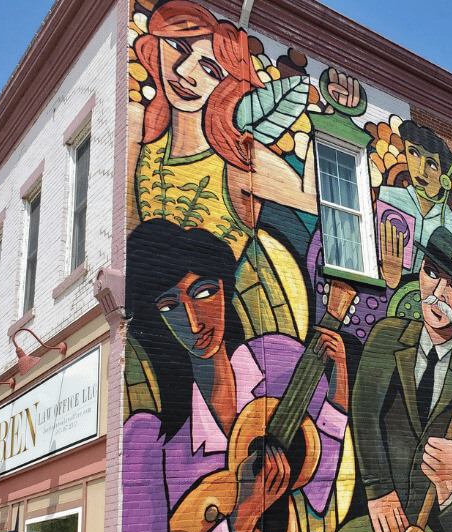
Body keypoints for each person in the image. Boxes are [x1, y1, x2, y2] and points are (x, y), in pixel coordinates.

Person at [121, 219, 350, 532]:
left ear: (226, 288)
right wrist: (243, 516)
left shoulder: (282, 362)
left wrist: (340, 386)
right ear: (154, 320)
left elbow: (320, 485)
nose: (194, 321)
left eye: (205, 291)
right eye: (169, 305)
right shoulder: (147, 445)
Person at [132, 1, 359, 341]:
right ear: (155, 45)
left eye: (209, 68)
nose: (184, 71)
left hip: (225, 326)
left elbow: (317, 200)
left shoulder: (241, 163)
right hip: (156, 315)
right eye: (178, 46)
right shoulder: (141, 133)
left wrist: (325, 125)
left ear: (227, 88)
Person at [351, 226, 452, 532]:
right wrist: (379, 489)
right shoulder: (386, 338)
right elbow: (363, 414)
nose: (439, 293)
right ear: (419, 273)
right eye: (431, 273)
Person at [377, 120, 452, 288]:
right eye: (414, 153)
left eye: (431, 164)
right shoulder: (388, 197)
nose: (421, 169)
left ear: (445, 178)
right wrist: (389, 277)